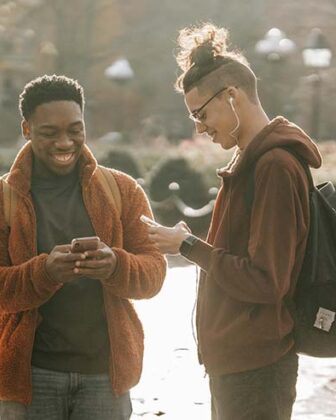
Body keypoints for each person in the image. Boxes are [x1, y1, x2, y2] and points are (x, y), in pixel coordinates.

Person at [147, 23, 323, 420]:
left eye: (202, 113)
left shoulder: (274, 166)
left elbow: (266, 280)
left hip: (257, 365)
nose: (199, 127)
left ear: (231, 96)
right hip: (241, 362)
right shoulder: (253, 160)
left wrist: (186, 246)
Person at [0, 74, 167, 420]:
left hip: (106, 376)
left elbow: (154, 273)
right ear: (26, 129)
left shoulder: (122, 190)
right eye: (50, 133)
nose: (65, 142)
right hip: (28, 376)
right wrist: (43, 273)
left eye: (75, 130)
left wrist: (115, 266)